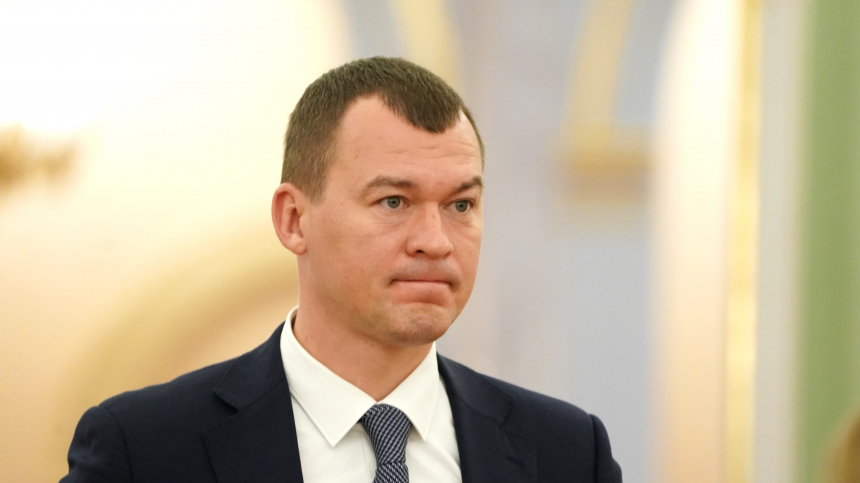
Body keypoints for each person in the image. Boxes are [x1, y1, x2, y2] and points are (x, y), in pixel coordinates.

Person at [62, 57, 622, 482]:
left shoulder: (569, 453)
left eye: (460, 205)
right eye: (394, 201)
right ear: (294, 219)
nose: (435, 242)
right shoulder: (144, 450)